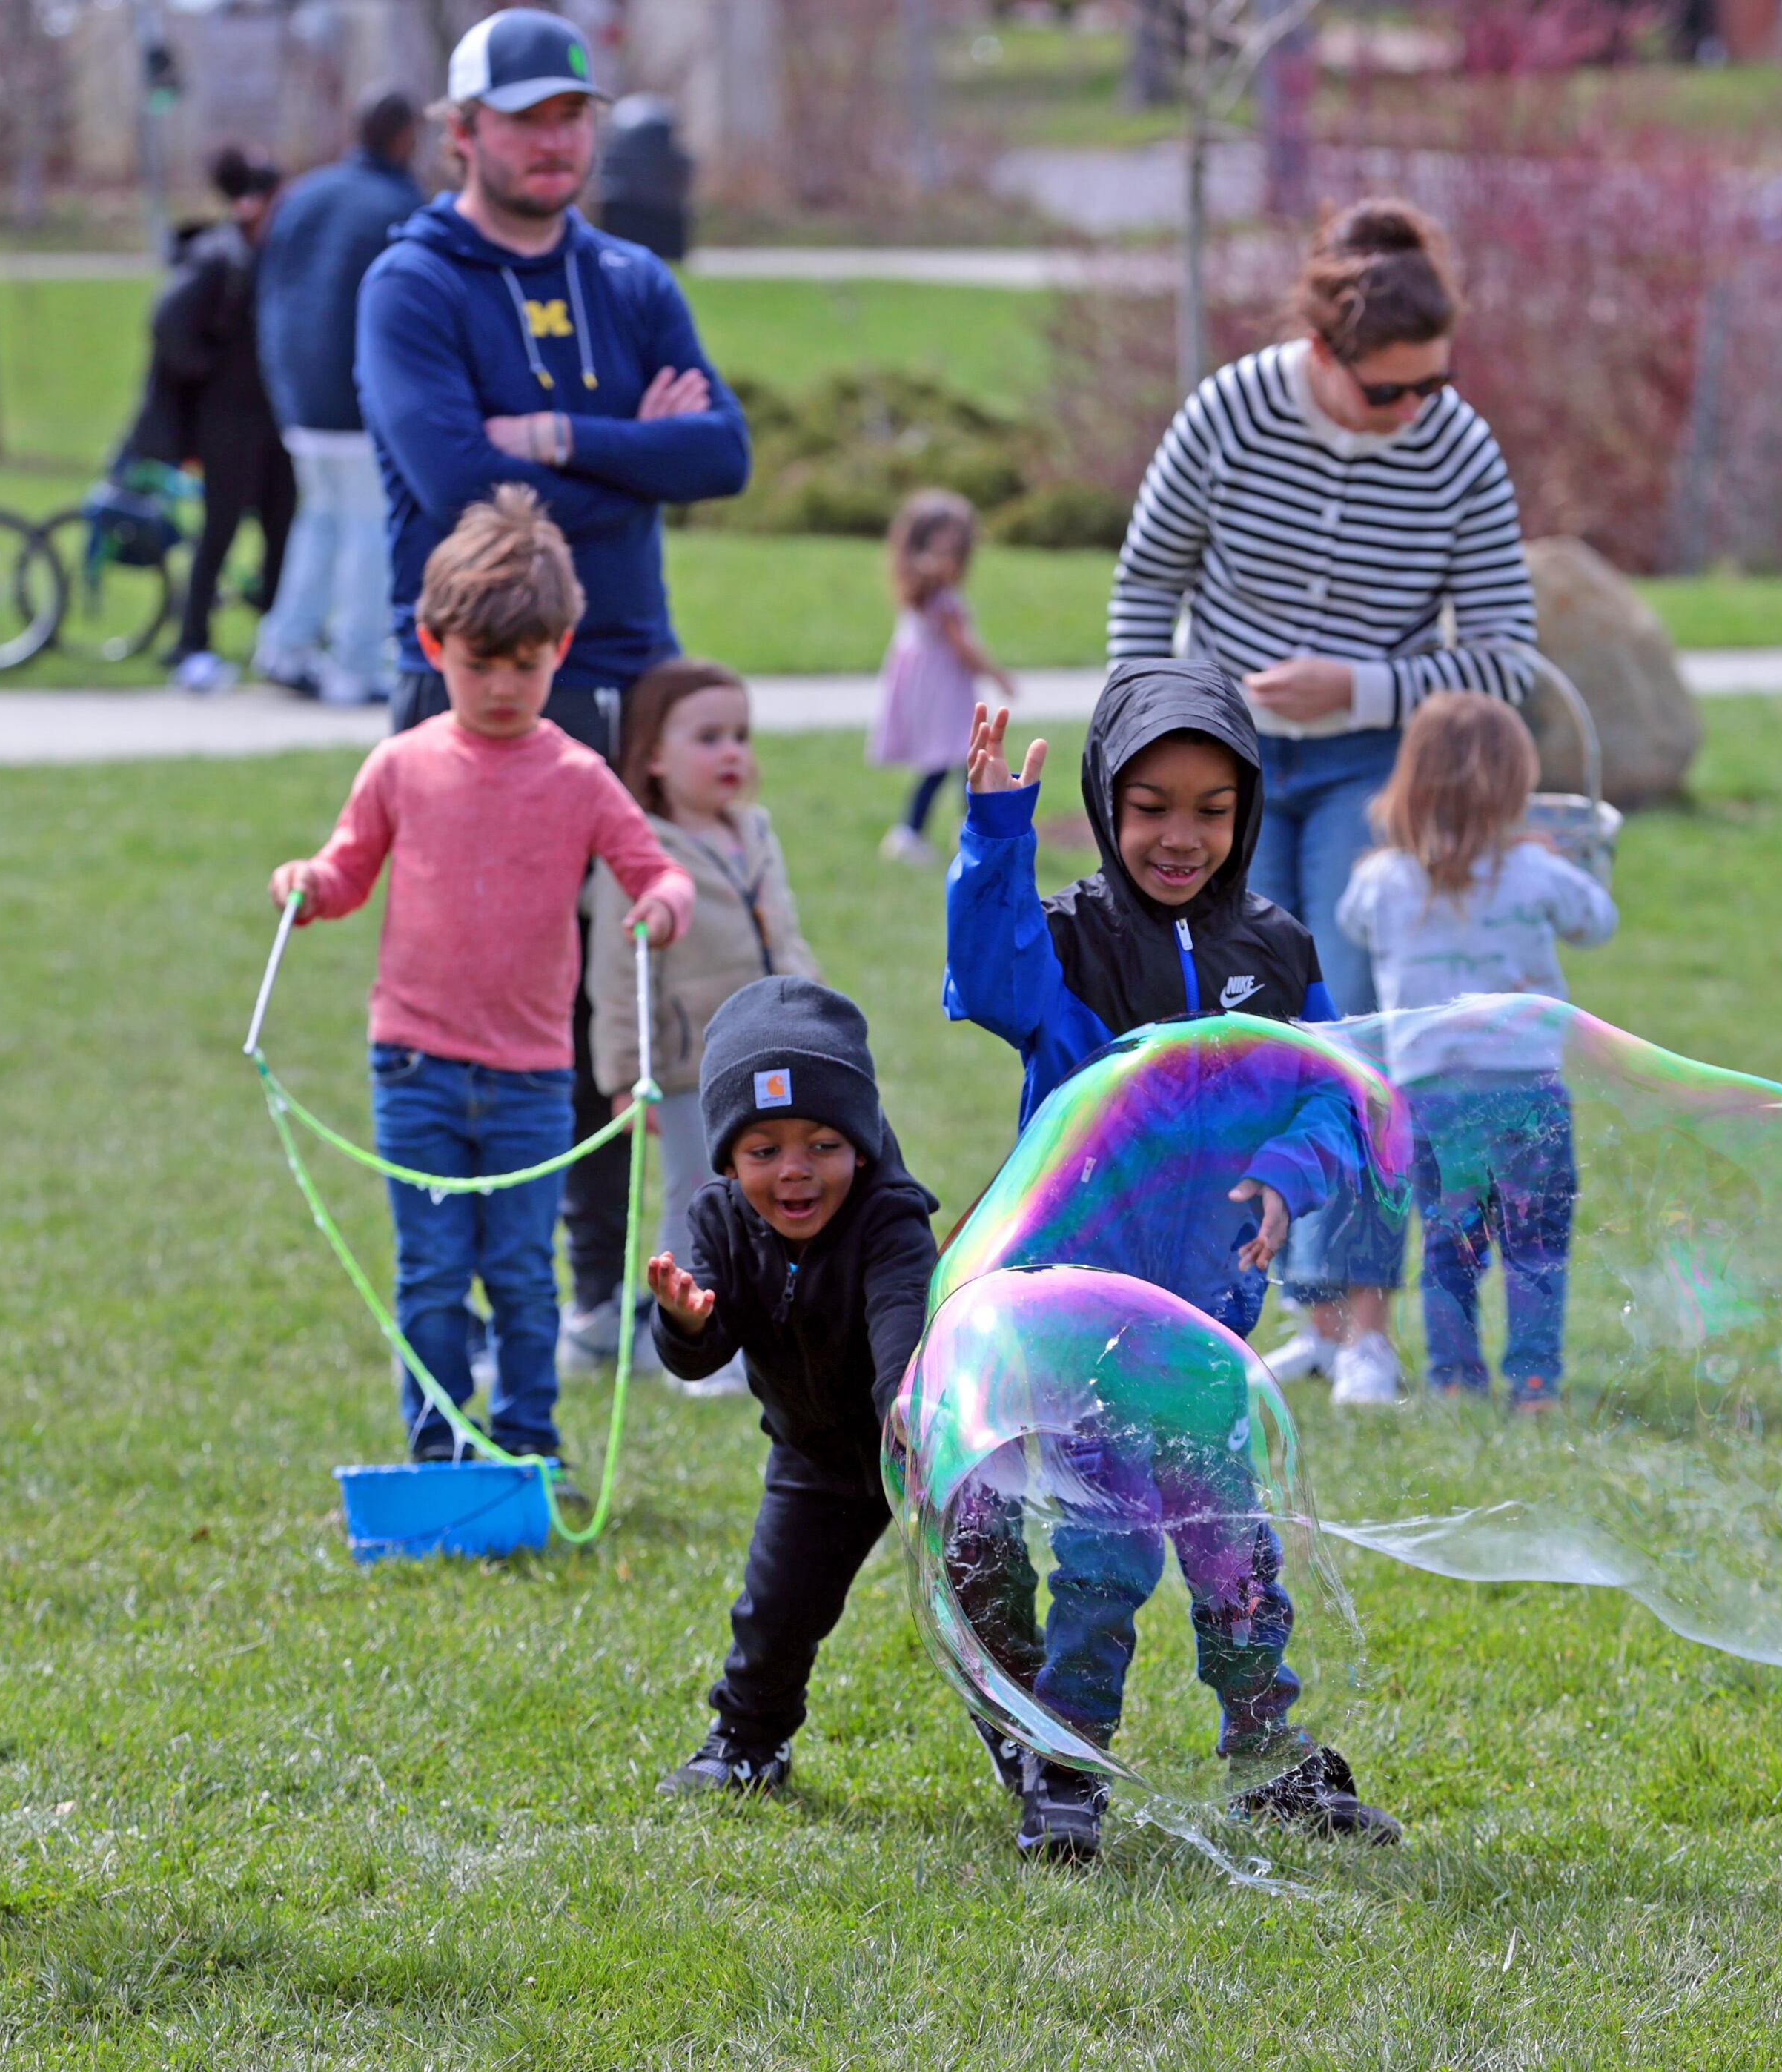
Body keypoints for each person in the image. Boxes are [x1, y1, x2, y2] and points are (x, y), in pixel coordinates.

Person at [944, 660, 1395, 1862]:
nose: (1181, 835)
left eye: (1211, 806)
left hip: (1207, 1324)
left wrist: (1286, 1177)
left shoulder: (1277, 943)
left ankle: (1271, 1756)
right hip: (1080, 1329)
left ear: (1248, 808)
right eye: (1151, 807)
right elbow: (986, 981)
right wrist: (993, 835)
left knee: (1235, 1545)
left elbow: (1337, 1100)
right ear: (1103, 803)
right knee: (1104, 1555)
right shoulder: (1070, 944)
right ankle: (1067, 1765)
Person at [358, 7, 752, 1366]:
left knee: (625, 1001)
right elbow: (464, 484)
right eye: (526, 117)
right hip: (476, 697)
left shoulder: (631, 278)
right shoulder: (413, 283)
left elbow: (722, 457)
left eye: (574, 114)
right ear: (462, 132)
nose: (556, 139)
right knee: (499, 997)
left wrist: (565, 437)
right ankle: (501, 1294)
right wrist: (632, 449)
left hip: (630, 675)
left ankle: (599, 1301)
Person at [1107, 196, 1537, 1406]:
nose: (1415, 410)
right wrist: (1151, 727)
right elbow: (1149, 580)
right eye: (1388, 391)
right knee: (1256, 1031)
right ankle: (1285, 1305)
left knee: (1348, 1029)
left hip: (1372, 770)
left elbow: (1506, 652)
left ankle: (1363, 1330)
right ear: (1325, 355)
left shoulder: (1456, 447)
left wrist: (1366, 684)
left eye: (1432, 385)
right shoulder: (1233, 410)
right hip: (1227, 765)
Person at [269, 487, 690, 1477]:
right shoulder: (401, 765)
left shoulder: (580, 773)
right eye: (479, 664)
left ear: (562, 647)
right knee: (430, 1269)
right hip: (412, 1060)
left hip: (533, 1073)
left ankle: (529, 1441)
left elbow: (653, 865)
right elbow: (347, 869)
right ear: (429, 644)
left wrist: (664, 901)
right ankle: (438, 1446)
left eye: (526, 663)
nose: (503, 685)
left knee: (518, 1272)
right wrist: (308, 886)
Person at [643, 978, 939, 1796]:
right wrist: (689, 1323)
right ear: (729, 1159)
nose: (795, 1171)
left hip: (917, 1448)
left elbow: (898, 1321)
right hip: (810, 1459)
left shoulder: (889, 1217)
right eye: (763, 1150)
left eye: (821, 1143)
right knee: (772, 1615)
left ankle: (1038, 1760)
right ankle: (747, 1743)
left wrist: (908, 1410)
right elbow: (699, 1362)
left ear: (863, 1141)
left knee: (983, 1607)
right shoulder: (719, 1222)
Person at [1339, 692, 1614, 1406]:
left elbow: (1353, 923)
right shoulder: (1537, 871)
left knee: (1448, 1245)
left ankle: (1455, 1382)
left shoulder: (1382, 879)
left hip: (1431, 1095)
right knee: (1536, 1247)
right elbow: (1598, 922)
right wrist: (1584, 859)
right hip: (1526, 1086)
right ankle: (1533, 1384)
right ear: (1514, 785)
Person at [586, 658, 818, 1397]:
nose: (731, 752)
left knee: (772, 1196)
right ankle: (688, 1344)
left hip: (770, 1057)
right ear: (653, 753)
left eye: (740, 735)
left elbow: (785, 933)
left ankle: (765, 1330)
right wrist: (626, 1075)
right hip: (689, 1069)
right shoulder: (637, 853)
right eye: (708, 736)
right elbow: (617, 974)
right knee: (697, 1199)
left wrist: (817, 1023)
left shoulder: (753, 829)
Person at [253, 86, 425, 704]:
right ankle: (355, 663)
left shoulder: (306, 194)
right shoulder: (398, 203)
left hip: (298, 394)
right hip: (355, 394)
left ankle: (286, 645)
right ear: (404, 136)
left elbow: (270, 290)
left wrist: (282, 379)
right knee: (367, 527)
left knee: (320, 519)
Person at [133, 146, 294, 693]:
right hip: (229, 422)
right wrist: (213, 366)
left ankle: (276, 637)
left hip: (271, 423)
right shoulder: (219, 255)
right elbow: (168, 324)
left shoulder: (266, 255)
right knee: (220, 529)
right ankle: (191, 638)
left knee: (281, 525)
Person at [871, 489, 1015, 867]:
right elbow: (964, 649)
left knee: (956, 765)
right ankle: (914, 833)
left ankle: (959, 829)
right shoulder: (943, 601)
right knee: (954, 762)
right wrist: (999, 676)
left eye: (955, 551)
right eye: (939, 551)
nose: (948, 561)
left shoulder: (919, 595)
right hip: (945, 695)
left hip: (933, 692)